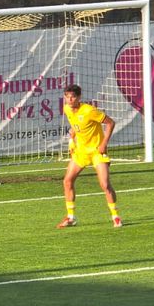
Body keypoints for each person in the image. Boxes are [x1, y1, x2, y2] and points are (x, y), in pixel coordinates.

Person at [58, 83, 122, 229]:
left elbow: (110, 123)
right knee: (67, 181)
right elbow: (74, 126)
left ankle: (115, 216)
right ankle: (70, 217)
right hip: (81, 152)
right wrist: (71, 141)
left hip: (96, 152)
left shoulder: (89, 111)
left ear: (79, 97)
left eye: (73, 97)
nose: (70, 100)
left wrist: (104, 143)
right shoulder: (67, 109)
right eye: (67, 97)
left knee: (105, 184)